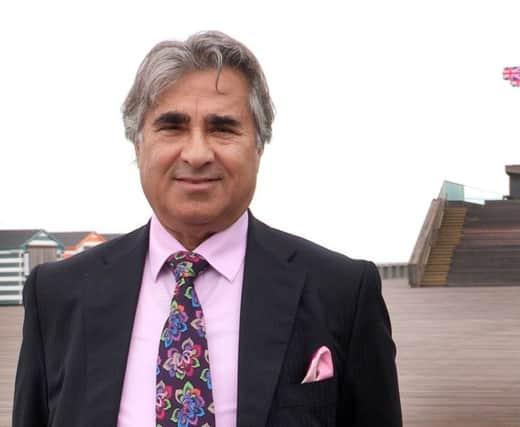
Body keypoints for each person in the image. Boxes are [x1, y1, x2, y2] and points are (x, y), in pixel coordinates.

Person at [13, 31, 402, 427]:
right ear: (138, 144)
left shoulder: (342, 293)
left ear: (259, 146)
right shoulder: (57, 296)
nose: (197, 154)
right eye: (172, 126)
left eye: (223, 128)